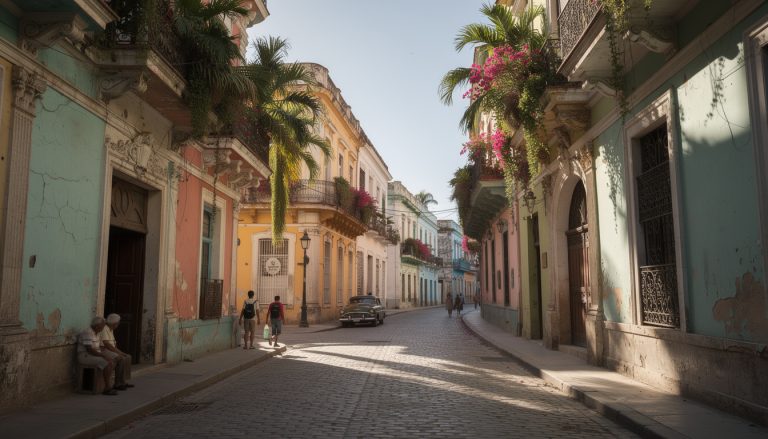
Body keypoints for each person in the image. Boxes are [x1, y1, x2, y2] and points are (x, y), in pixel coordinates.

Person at [77, 316, 118, 395]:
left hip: (92, 355)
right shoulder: (88, 332)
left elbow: (97, 347)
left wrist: (103, 354)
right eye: (102, 326)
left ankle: (105, 385)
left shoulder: (97, 333)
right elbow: (89, 349)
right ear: (96, 326)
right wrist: (102, 356)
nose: (103, 328)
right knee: (108, 362)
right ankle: (107, 387)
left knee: (112, 361)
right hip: (85, 356)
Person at [99, 313, 134, 390]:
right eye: (118, 322)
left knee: (127, 357)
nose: (118, 324)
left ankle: (122, 381)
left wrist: (121, 352)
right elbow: (107, 344)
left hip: (109, 349)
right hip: (104, 349)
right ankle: (117, 383)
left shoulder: (110, 329)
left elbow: (113, 345)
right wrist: (119, 353)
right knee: (121, 358)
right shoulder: (105, 328)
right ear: (115, 323)